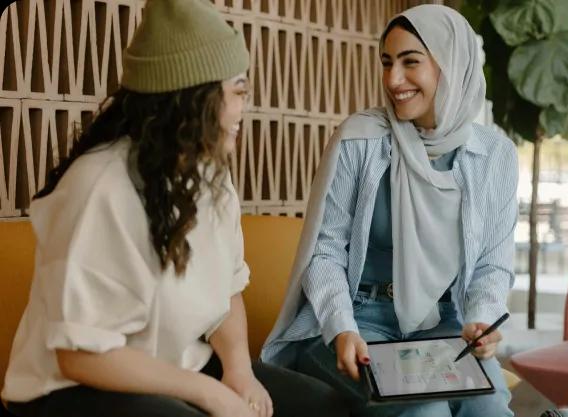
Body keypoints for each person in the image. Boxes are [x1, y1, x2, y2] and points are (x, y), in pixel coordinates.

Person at [0, 1, 348, 417]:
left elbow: (229, 291)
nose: (243, 108)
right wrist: (208, 393)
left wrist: (238, 372)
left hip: (179, 368)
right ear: (192, 98)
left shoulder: (211, 174)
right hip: (71, 389)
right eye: (237, 91)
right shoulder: (101, 185)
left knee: (323, 407)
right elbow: (80, 356)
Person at [260, 4, 517, 417]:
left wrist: (483, 319)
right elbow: (324, 252)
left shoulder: (495, 155)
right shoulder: (360, 139)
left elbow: (493, 263)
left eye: (410, 62)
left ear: (450, 65)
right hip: (358, 321)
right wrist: (340, 327)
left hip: (445, 324)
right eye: (386, 63)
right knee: (425, 410)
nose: (393, 80)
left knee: (487, 409)